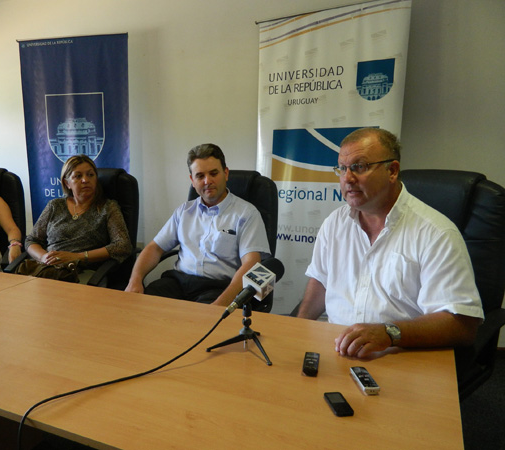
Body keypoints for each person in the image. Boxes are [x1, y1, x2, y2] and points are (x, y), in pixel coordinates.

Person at [296, 127, 484, 358]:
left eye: (359, 167)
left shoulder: (436, 233)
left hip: (403, 355)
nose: (347, 178)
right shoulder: (334, 223)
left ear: (392, 171)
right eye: (342, 169)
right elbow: (321, 283)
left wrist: (388, 333)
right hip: (337, 350)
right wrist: (298, 332)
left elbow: (461, 325)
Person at [125, 143, 270, 307]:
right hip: (177, 282)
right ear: (192, 181)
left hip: (218, 287)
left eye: (213, 173)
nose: (207, 181)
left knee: (200, 324)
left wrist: (222, 303)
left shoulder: (246, 214)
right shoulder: (184, 211)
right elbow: (155, 248)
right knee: (142, 307)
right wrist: (135, 280)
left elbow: (251, 263)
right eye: (200, 176)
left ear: (226, 173)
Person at [25, 154, 132, 284]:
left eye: (90, 175)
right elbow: (31, 240)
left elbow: (122, 245)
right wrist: (44, 257)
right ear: (67, 183)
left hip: (84, 273)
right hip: (47, 269)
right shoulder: (55, 206)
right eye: (78, 176)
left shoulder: (108, 207)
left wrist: (77, 257)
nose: (85, 180)